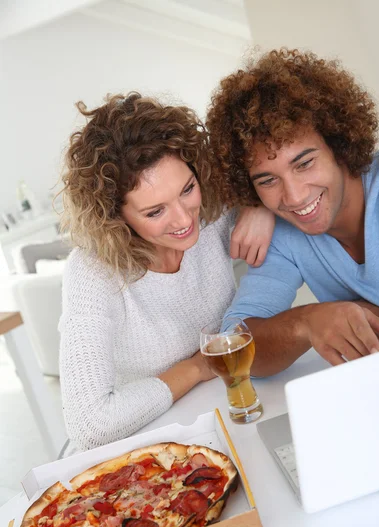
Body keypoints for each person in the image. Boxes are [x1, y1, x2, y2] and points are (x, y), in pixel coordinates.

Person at [59, 92, 274, 450]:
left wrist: (259, 207)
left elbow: (277, 188)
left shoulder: (211, 213)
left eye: (187, 189)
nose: (184, 219)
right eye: (154, 212)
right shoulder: (94, 272)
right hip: (144, 450)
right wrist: (199, 367)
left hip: (221, 416)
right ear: (115, 217)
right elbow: (90, 426)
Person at [206, 48, 379, 377]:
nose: (295, 197)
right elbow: (236, 346)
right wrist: (306, 322)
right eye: (268, 180)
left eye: (304, 163)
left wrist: (362, 314)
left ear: (338, 144)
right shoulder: (283, 235)